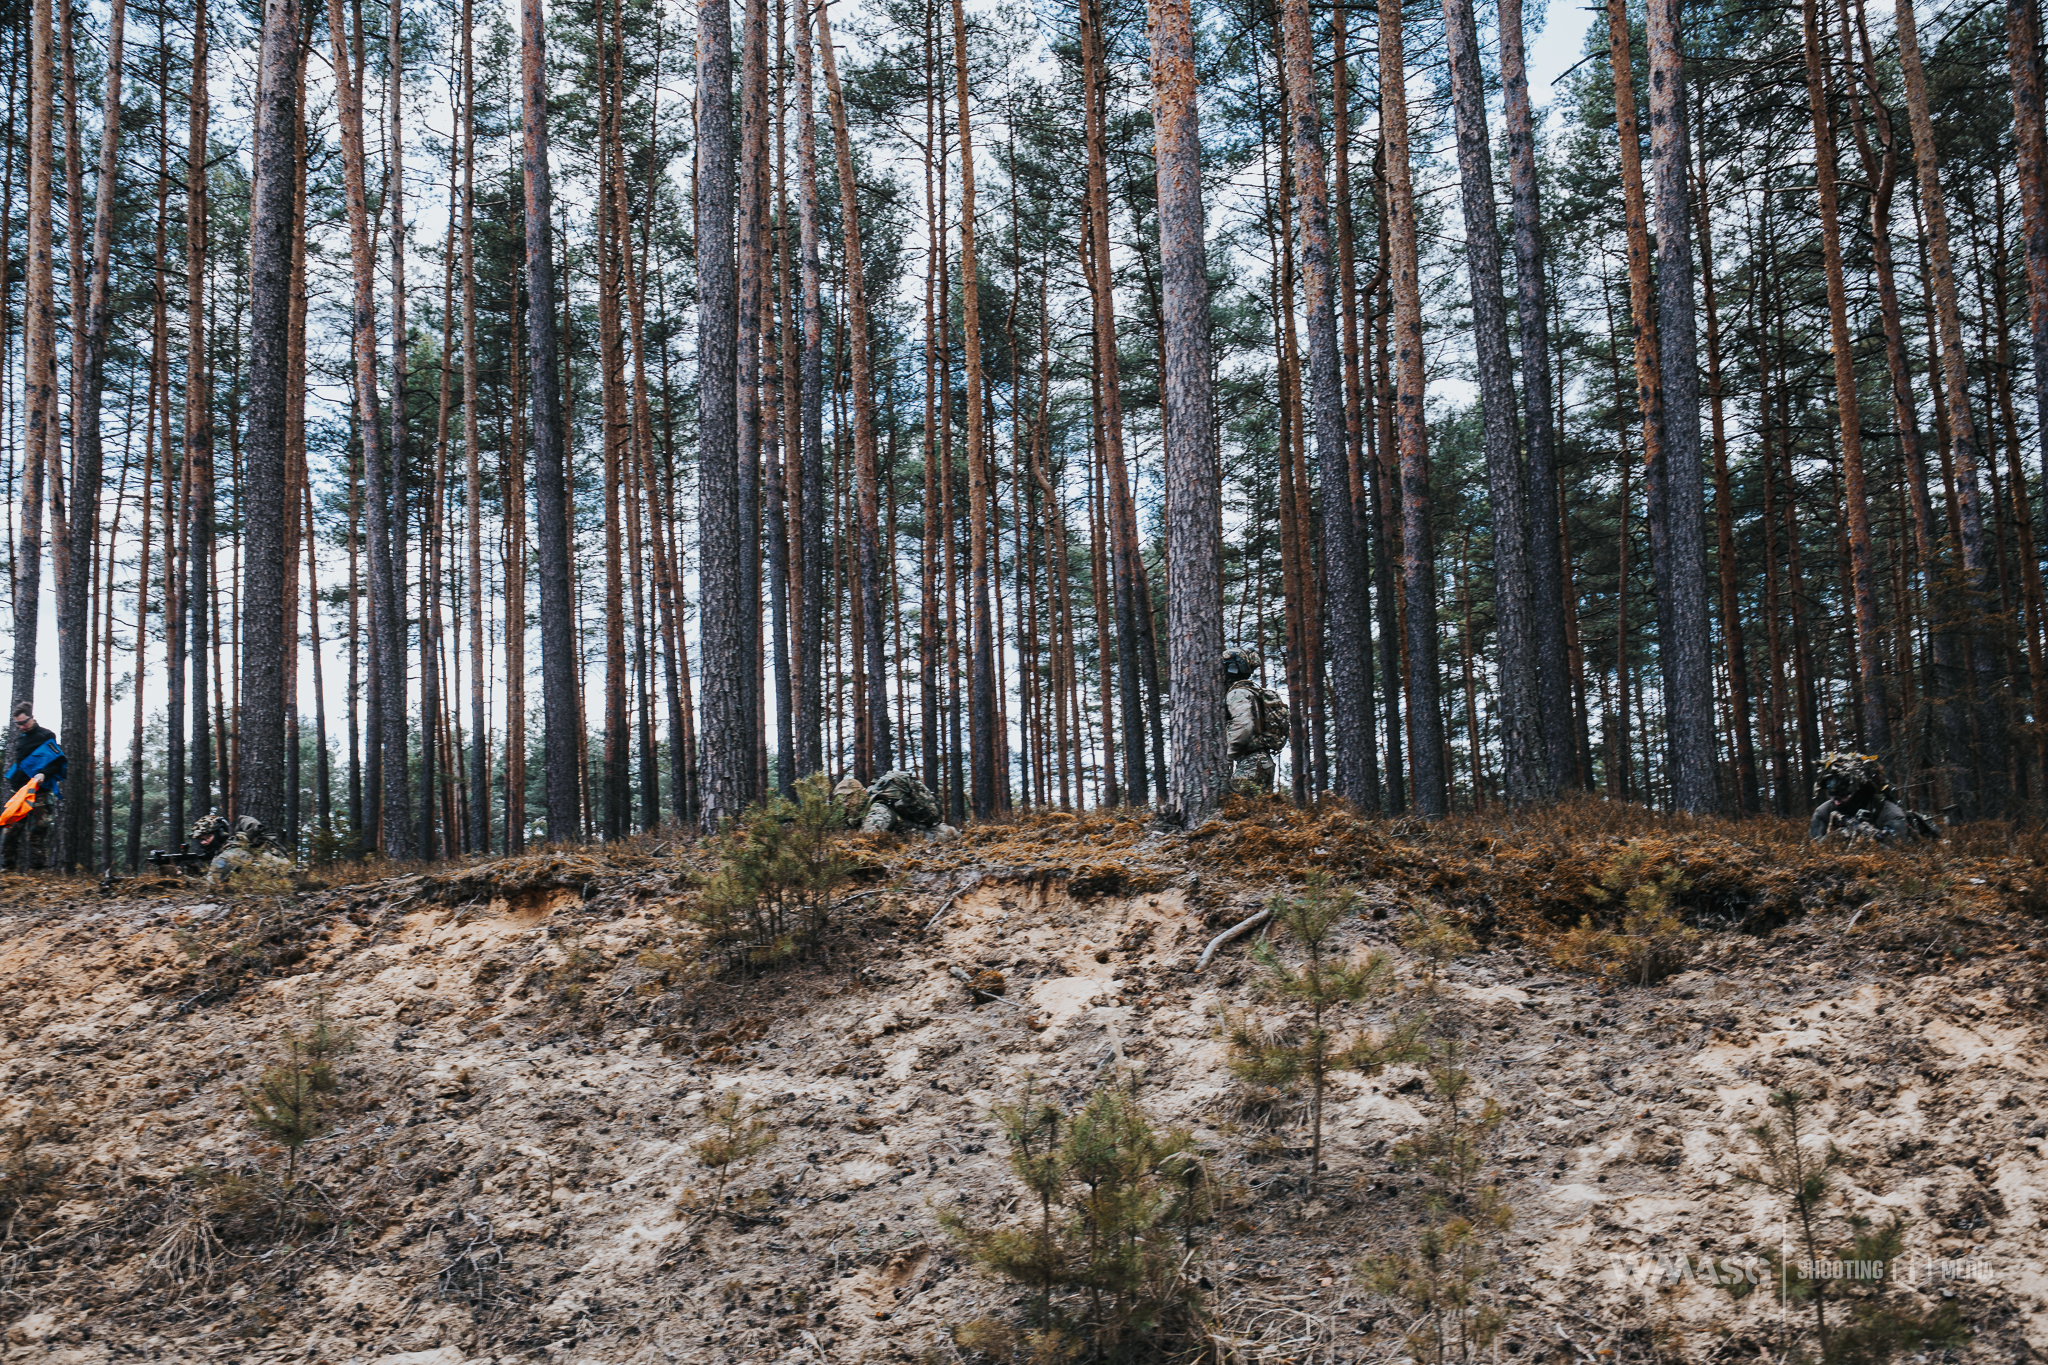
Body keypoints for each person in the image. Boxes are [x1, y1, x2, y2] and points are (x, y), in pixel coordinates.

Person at [1809, 752, 1938, 842]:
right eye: (1831, 793)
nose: (1836, 799)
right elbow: (1813, 847)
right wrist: (1835, 837)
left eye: (1843, 793)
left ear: (1860, 791)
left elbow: (1898, 850)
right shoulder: (1823, 813)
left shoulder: (1890, 813)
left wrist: (1866, 836)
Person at [2, 702, 63, 872]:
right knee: (10, 830)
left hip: (39, 793)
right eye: (18, 724)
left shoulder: (46, 735)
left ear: (32, 718)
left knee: (36, 833)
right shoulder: (21, 739)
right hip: (19, 794)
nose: (22, 726)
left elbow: (57, 760)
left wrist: (44, 774)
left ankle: (38, 873)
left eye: (24, 722)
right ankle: (8, 870)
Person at [1224, 648, 1289, 796]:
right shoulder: (1252, 691)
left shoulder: (1237, 694)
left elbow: (1244, 726)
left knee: (1239, 812)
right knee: (1260, 814)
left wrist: (1225, 755)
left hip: (1250, 765)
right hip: (1264, 762)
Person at [207, 814, 296, 889]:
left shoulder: (231, 853)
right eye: (201, 839)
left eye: (207, 837)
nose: (203, 842)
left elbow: (211, 884)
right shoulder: (266, 848)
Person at [861, 769, 954, 839]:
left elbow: (868, 835)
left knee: (935, 835)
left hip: (910, 828)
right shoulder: (872, 800)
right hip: (902, 823)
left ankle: (951, 832)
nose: (847, 804)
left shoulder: (878, 809)